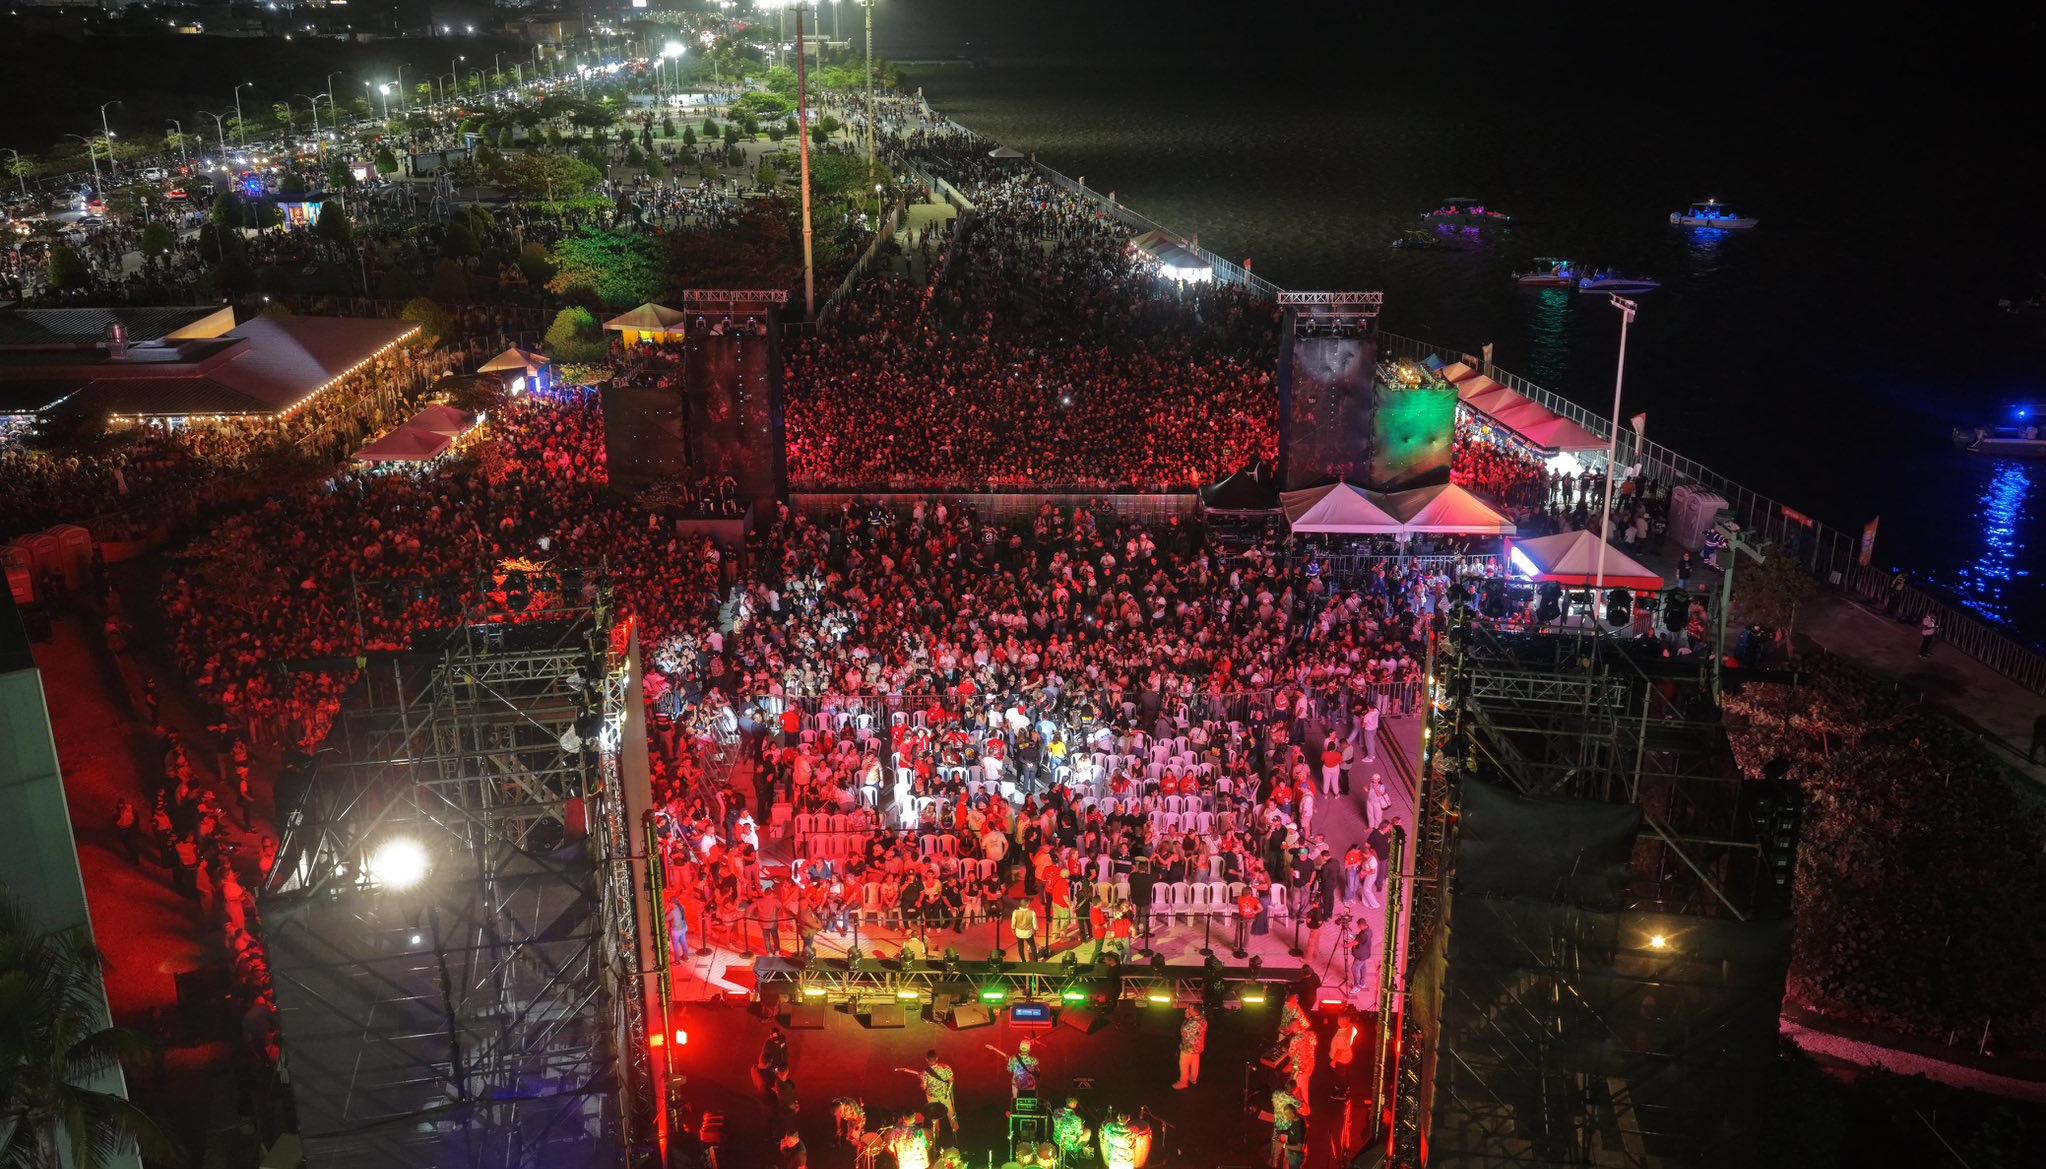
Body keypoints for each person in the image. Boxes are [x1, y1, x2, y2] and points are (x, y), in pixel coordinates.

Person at [897, 1050, 958, 1137]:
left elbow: (923, 1087)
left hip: (931, 1096)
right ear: (937, 1058)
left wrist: (921, 1079)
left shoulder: (925, 1073)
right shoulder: (946, 1067)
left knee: (934, 1113)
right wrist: (947, 1091)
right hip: (944, 1095)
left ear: (926, 1059)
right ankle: (954, 1127)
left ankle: (936, 1132)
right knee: (950, 1110)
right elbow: (951, 1080)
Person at [1328, 1007, 1362, 1099]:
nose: (1338, 1021)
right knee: (1344, 1074)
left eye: (1339, 1020)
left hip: (1340, 1060)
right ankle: (1345, 1087)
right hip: (1347, 1057)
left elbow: (1339, 1050)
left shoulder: (1342, 1035)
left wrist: (1333, 1061)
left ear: (1345, 1021)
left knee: (1341, 1076)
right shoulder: (1351, 1027)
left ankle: (1342, 1092)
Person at [1173, 1005, 1208, 1089]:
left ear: (1194, 1011)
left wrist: (1186, 1018)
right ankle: (1193, 1079)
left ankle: (1183, 1082)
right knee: (1195, 1063)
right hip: (1197, 1047)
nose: (1187, 1009)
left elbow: (1183, 1031)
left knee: (1184, 1064)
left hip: (1188, 1048)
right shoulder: (1203, 1019)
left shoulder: (1192, 1023)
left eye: (1189, 1009)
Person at [1050, 1097, 1091, 1166]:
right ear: (1075, 1105)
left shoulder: (1056, 1111)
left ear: (1066, 1102)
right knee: (1087, 1131)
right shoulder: (1077, 1119)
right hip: (1069, 1144)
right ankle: (1076, 1151)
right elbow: (1079, 1134)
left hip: (1057, 1139)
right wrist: (1081, 1126)